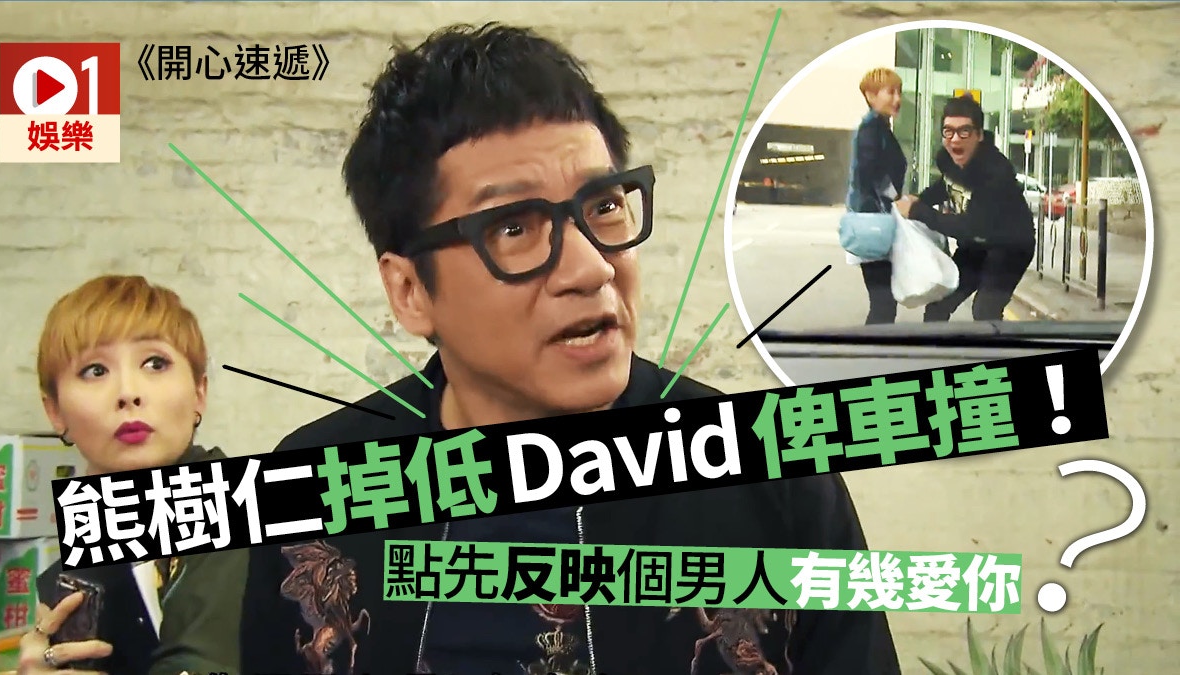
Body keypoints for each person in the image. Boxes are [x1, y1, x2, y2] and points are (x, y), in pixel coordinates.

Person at [240, 22, 901, 675]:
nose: (591, 267)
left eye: (604, 205)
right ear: (411, 290)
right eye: (513, 227)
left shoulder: (777, 486)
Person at [19, 275, 247, 675]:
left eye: (155, 364)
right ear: (54, 411)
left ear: (199, 393)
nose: (128, 392)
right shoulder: (84, 550)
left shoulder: (234, 508)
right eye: (95, 370)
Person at [895, 95, 1036, 322]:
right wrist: (919, 199)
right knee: (938, 305)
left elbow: (971, 226)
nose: (954, 140)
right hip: (975, 247)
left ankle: (996, 345)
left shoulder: (995, 172)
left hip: (1010, 247)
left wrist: (917, 211)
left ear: (979, 135)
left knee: (984, 311)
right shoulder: (947, 160)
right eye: (948, 131)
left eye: (964, 132)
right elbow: (947, 185)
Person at [845, 67, 907, 325]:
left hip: (875, 219)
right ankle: (873, 346)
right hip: (873, 222)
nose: (897, 99)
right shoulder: (872, 128)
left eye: (899, 92)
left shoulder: (879, 126)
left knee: (884, 303)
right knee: (883, 304)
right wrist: (895, 199)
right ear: (870, 96)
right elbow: (871, 173)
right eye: (890, 92)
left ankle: (876, 345)